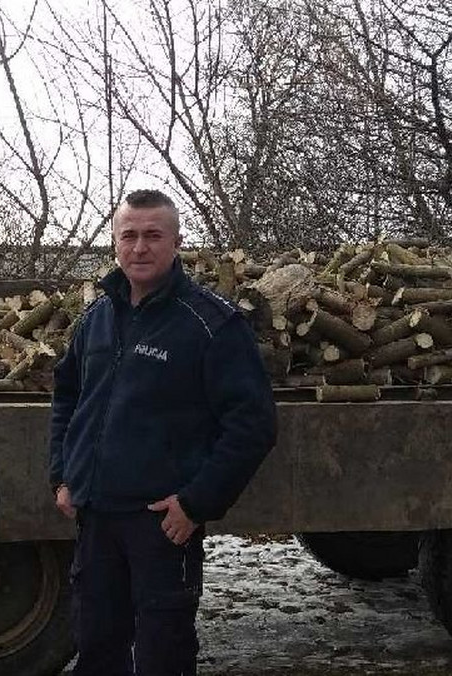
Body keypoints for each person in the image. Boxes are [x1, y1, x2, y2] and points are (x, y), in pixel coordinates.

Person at [49, 189, 278, 675]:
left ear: (176, 241)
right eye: (128, 236)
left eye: (153, 235)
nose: (139, 247)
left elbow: (253, 424)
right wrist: (63, 475)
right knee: (96, 649)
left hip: (160, 522)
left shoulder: (211, 324)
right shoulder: (96, 318)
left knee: (163, 654)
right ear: (114, 243)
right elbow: (68, 398)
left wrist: (197, 503)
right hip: (96, 518)